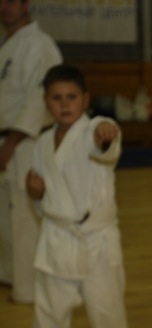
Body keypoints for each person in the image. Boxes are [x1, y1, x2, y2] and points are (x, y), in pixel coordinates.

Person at [25, 64, 150, 328]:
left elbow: (105, 142)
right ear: (46, 102)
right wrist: (34, 193)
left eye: (71, 97)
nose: (64, 104)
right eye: (56, 98)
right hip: (57, 236)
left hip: (97, 238)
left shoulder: (94, 129)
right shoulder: (42, 142)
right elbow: (40, 194)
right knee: (49, 315)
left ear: (85, 100)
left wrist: (105, 134)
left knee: (108, 308)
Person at [0, 0, 62, 303]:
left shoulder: (39, 44)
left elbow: (40, 99)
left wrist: (11, 143)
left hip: (25, 142)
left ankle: (29, 288)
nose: (4, 7)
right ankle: (10, 275)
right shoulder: (8, 45)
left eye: (12, 1)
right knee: (5, 216)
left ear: (26, 5)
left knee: (25, 217)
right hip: (7, 140)